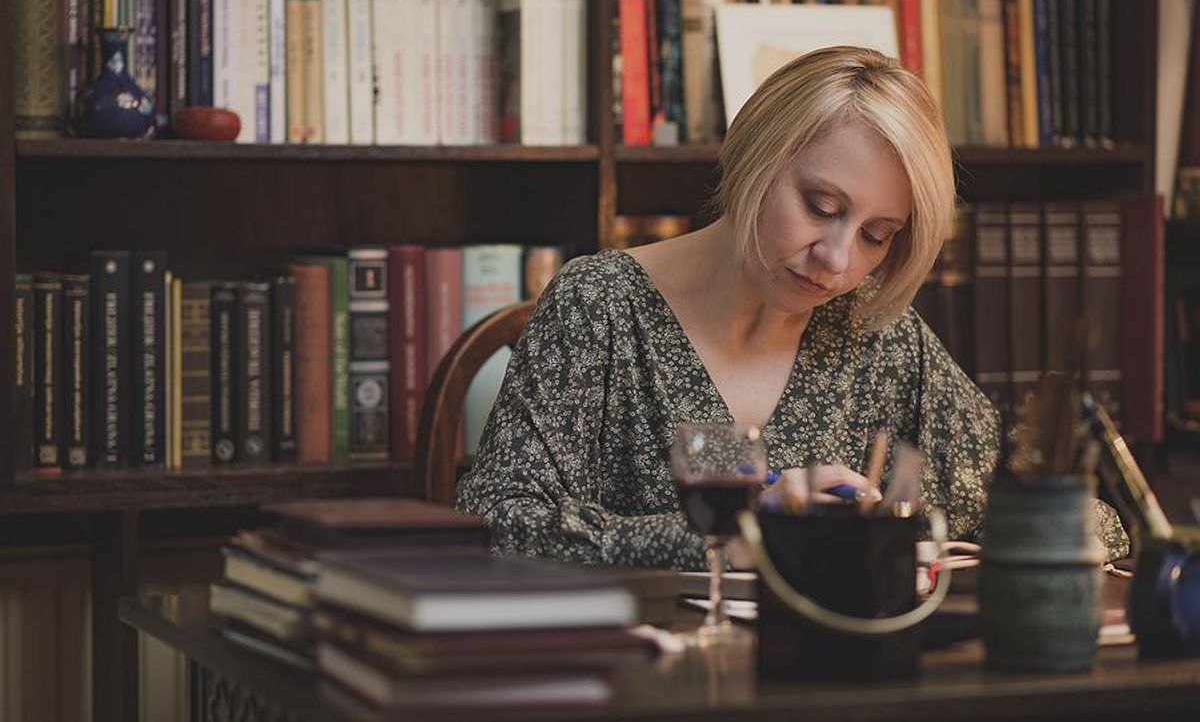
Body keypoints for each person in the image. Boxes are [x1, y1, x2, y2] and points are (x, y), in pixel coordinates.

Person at [456, 46, 1128, 568]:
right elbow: (498, 522)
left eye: (875, 235)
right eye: (821, 207)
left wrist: (899, 527)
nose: (837, 260)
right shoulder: (599, 308)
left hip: (831, 682)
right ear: (754, 158)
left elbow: (1081, 513)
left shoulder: (882, 339)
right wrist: (740, 537)